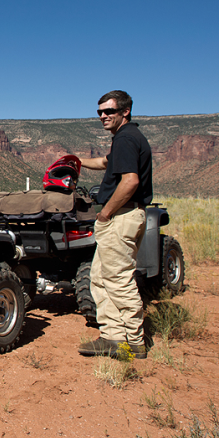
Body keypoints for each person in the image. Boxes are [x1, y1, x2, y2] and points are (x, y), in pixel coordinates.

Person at [77, 90, 152, 360]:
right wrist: (74, 160)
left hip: (120, 217)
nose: (103, 116)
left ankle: (133, 342)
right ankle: (113, 337)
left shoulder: (126, 139)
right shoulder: (126, 139)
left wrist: (106, 213)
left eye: (109, 111)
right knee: (99, 278)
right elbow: (105, 163)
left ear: (125, 111)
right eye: (100, 112)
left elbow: (130, 181)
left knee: (118, 281)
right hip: (125, 216)